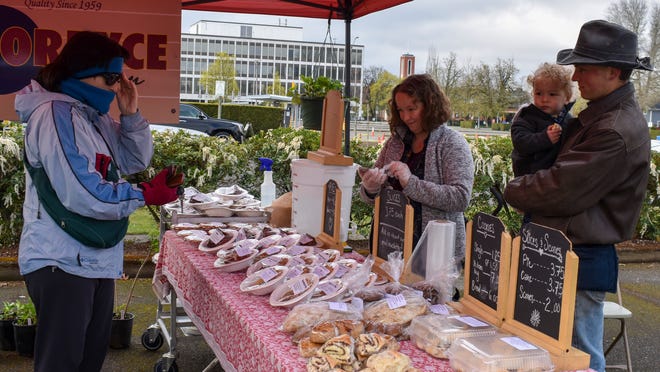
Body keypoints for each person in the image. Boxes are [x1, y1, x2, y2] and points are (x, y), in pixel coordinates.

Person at [15, 31, 181, 372]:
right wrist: (143, 194)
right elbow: (82, 192)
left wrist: (131, 113)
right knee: (61, 364)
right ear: (83, 72)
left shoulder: (91, 115)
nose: (115, 87)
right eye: (111, 78)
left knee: (90, 360)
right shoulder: (53, 114)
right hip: (60, 261)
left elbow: (134, 160)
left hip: (93, 258)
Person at [504, 20, 652, 371]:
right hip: (565, 250)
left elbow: (560, 188)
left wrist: (513, 188)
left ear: (614, 72)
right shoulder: (600, 115)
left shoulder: (614, 129)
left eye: (584, 69)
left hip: (580, 257)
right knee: (555, 347)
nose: (574, 77)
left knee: (578, 354)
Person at [358, 74, 474, 263]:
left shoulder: (452, 143)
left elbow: (460, 198)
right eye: (401, 110)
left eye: (412, 109)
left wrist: (410, 182)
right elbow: (376, 196)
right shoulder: (395, 142)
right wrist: (370, 189)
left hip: (434, 253)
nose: (406, 117)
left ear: (430, 106)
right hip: (390, 242)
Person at [511, 62, 575, 177]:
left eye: (552, 94)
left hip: (558, 179)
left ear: (567, 97)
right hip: (530, 178)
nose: (544, 99)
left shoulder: (570, 121)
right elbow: (520, 142)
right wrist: (545, 138)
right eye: (539, 93)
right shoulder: (527, 117)